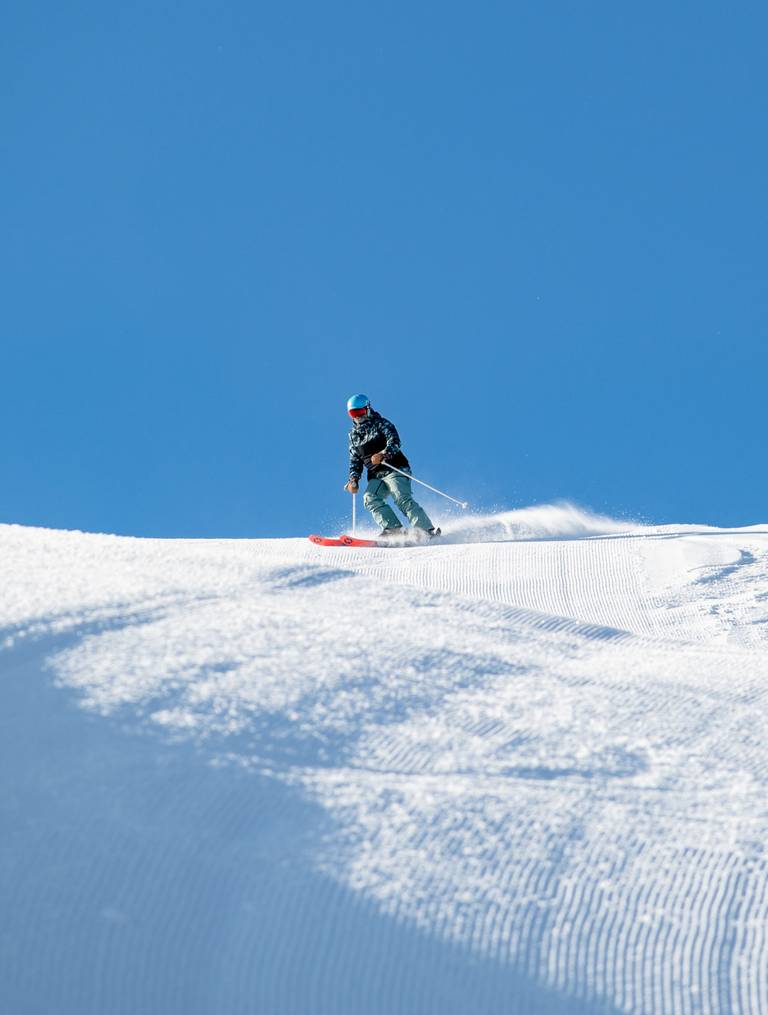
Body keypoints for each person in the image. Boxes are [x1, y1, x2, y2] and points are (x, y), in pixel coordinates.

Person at [343, 394, 440, 539]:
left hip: (395, 468)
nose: (357, 417)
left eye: (360, 412)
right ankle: (393, 529)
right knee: (370, 498)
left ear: (368, 409)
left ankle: (425, 530)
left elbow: (395, 441)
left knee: (401, 497)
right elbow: (355, 460)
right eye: (353, 413)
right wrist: (353, 479)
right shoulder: (353, 435)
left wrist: (383, 454)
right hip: (376, 475)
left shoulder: (381, 423)